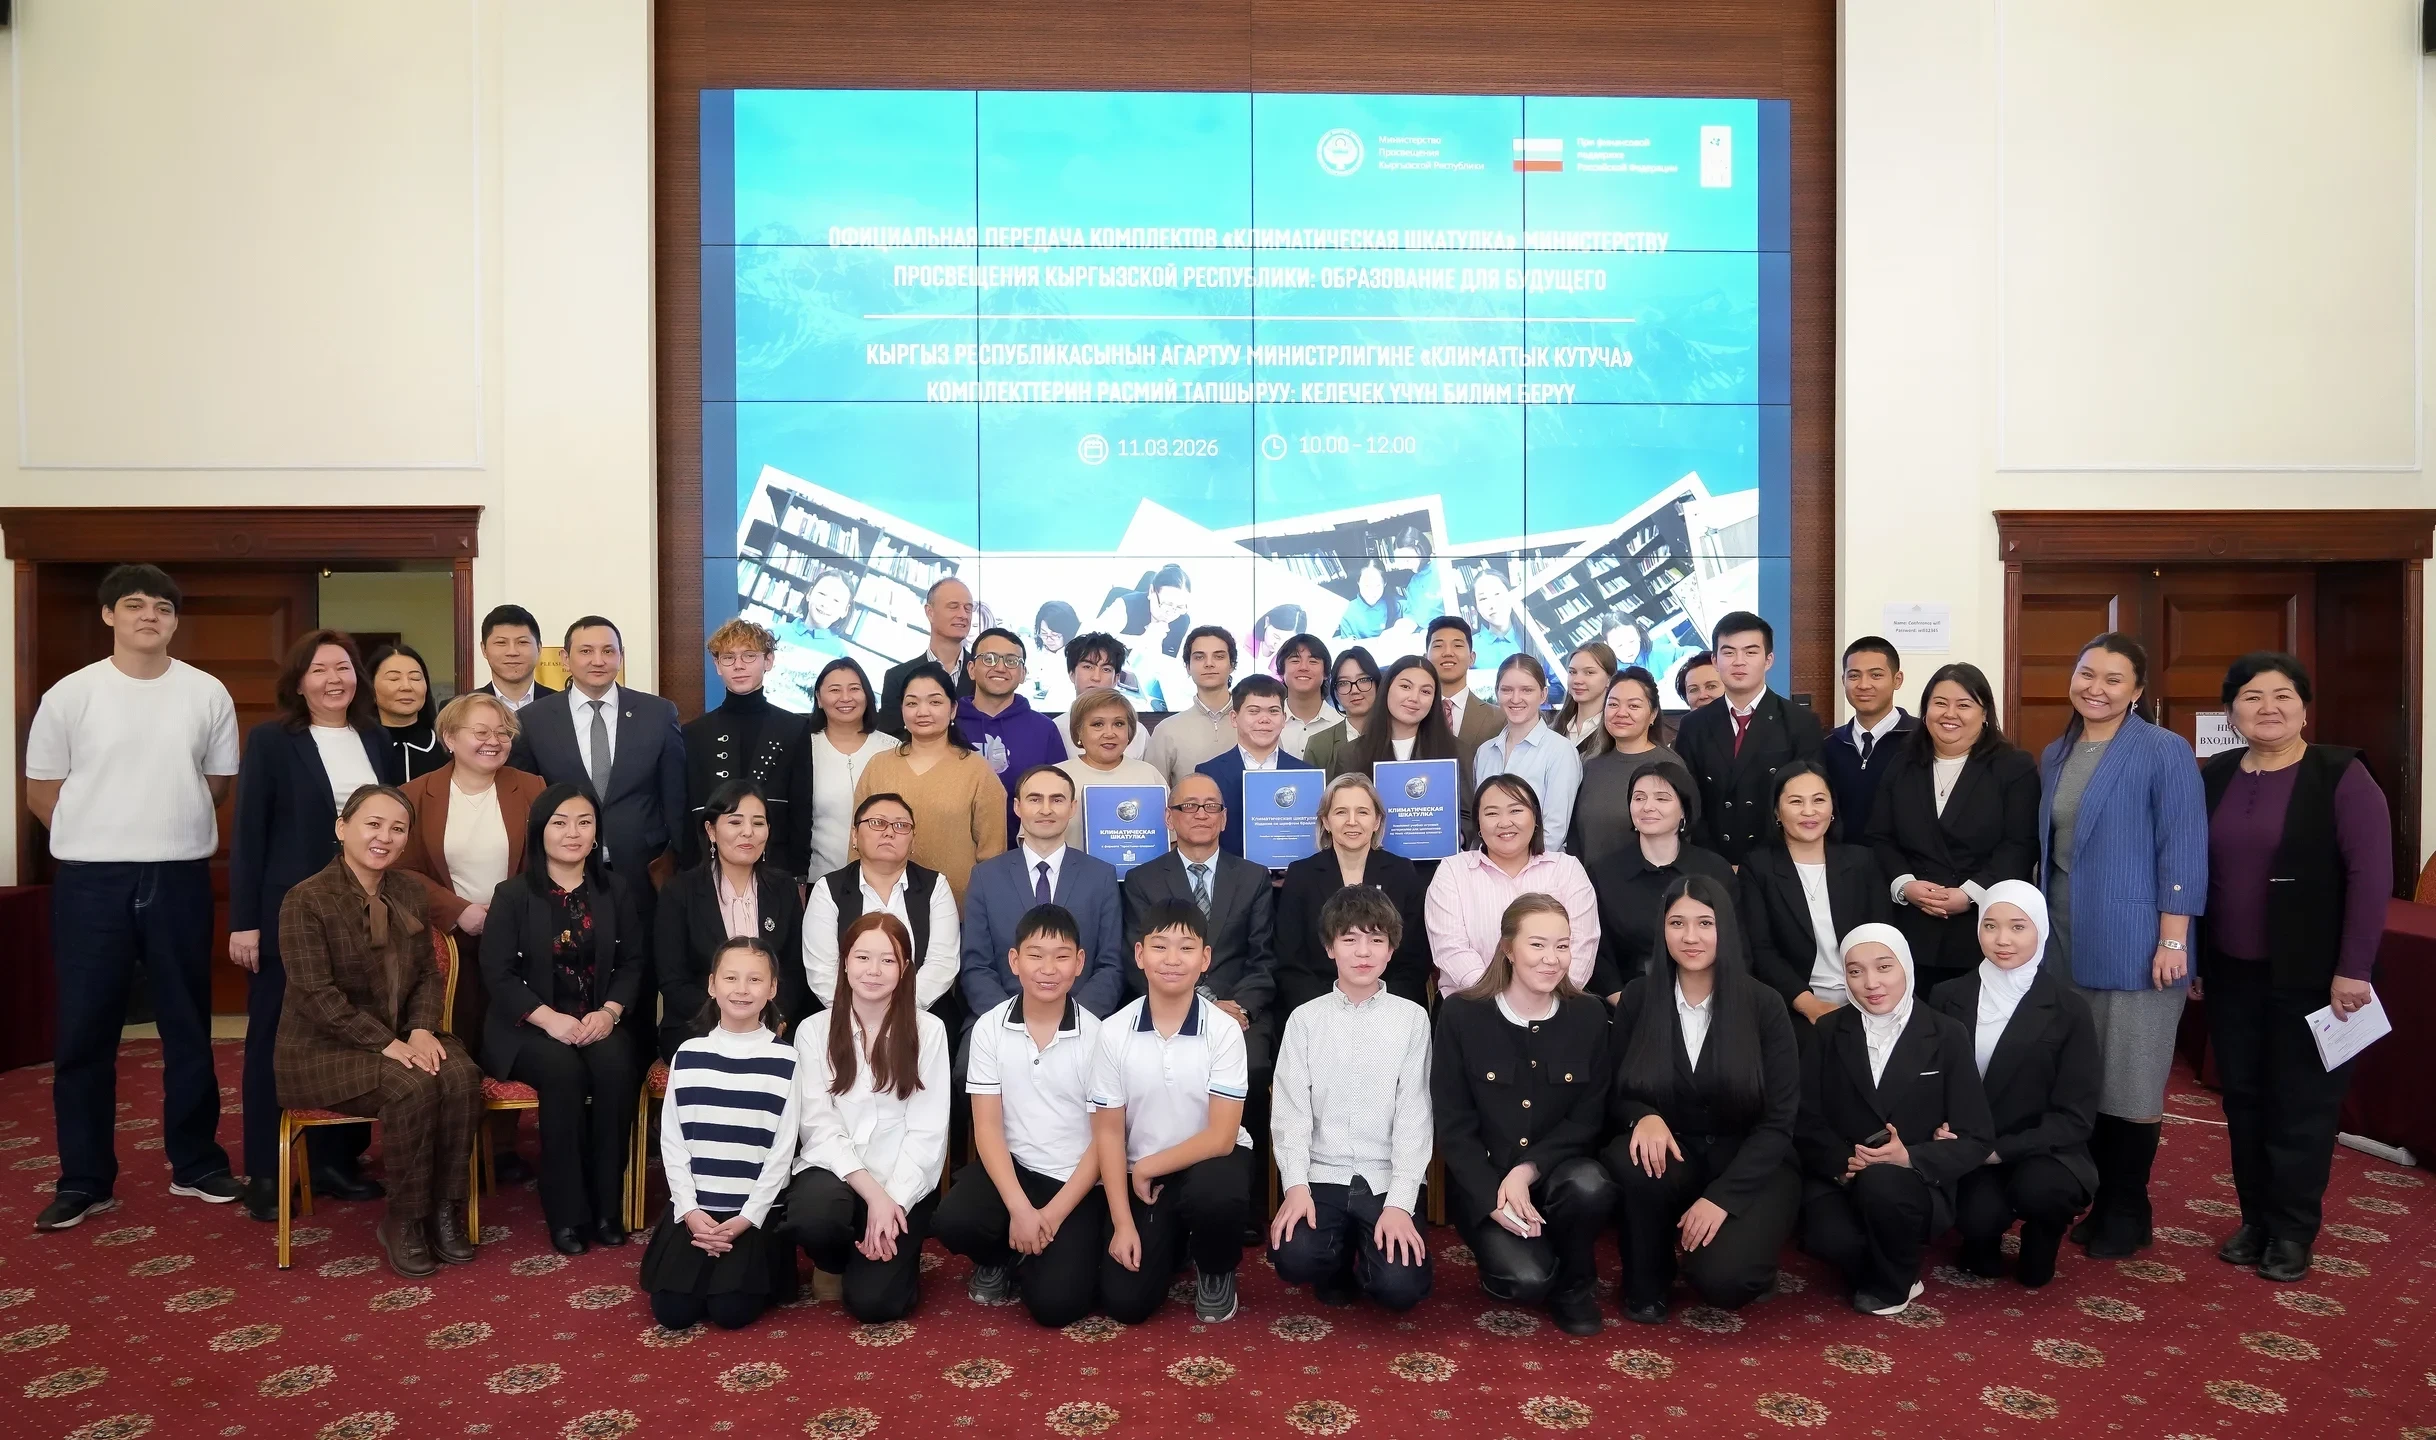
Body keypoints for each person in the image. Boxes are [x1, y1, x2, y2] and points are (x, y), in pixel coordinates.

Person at [27, 564, 242, 1229]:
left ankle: (197, 1162)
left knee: (187, 1025)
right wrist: (100, 833)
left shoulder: (206, 692)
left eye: (163, 608)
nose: (150, 616)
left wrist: (155, 829)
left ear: (175, 621)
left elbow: (215, 784)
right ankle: (84, 1179)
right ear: (109, 615)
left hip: (178, 875)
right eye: (135, 605)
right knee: (85, 1031)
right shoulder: (71, 694)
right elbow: (42, 791)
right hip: (91, 881)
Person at [2199, 652, 2392, 1282]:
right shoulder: (2215, 774)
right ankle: (2255, 1220)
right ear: (2231, 711)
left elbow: (2371, 879)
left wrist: (2354, 968)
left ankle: (2292, 1230)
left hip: (2314, 975)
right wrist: (2194, 955)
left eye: (2283, 695)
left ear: (2304, 707)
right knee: (2244, 1100)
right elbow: (2195, 872)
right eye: (2252, 696)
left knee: (2302, 1104)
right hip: (2231, 971)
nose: (2268, 708)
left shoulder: (2342, 775)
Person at [2037, 631, 2206, 1260]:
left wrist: (2174, 938)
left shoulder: (2163, 750)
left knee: (2132, 1080)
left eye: (2113, 679)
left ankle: (2127, 1207)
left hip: (2139, 943)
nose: (2096, 688)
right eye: (2087, 674)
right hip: (2064, 940)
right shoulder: (2056, 751)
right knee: (2085, 1077)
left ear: (2136, 691)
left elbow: (2183, 847)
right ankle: (2103, 1198)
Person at [275, 784, 482, 1277]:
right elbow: (317, 996)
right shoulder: (305, 899)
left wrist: (421, 1029)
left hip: (402, 1036)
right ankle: (404, 1220)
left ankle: (445, 1210)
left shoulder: (408, 890)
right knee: (411, 1086)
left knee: (461, 1076)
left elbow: (428, 973)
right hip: (323, 1050)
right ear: (342, 827)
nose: (384, 837)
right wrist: (386, 1042)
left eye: (397, 828)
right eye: (373, 824)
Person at [229, 629, 402, 1221]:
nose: (334, 679)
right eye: (320, 669)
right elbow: (249, 834)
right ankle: (267, 1170)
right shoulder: (272, 742)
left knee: (353, 1032)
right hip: (288, 912)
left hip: (362, 909)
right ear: (299, 681)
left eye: (344, 668)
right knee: (273, 1039)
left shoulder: (375, 738)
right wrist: (244, 922)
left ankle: (335, 1161)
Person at [1603, 876, 1802, 1320]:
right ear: (1662, 930)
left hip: (1751, 1163)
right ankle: (1648, 1278)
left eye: (1705, 923)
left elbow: (1778, 1123)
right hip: (1675, 1155)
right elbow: (1614, 1092)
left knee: (1725, 1281)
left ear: (1725, 927)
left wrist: (1723, 1198)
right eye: (1677, 923)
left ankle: (1740, 1255)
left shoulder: (1765, 1004)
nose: (1690, 937)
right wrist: (1642, 1116)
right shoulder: (1638, 997)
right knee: (1631, 1156)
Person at [1432, 894, 1615, 1334]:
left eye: (1562, 946)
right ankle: (1530, 1260)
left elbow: (1587, 1119)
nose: (1552, 959)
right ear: (1508, 949)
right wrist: (1491, 1194)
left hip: (1556, 1173)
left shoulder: (1588, 1015)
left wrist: (1527, 1170)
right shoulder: (1462, 1014)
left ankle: (1575, 1285)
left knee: (1591, 1186)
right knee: (1526, 1280)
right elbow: (1453, 1126)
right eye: (1537, 945)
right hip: (1487, 1180)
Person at [480, 784, 649, 1255]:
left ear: (597, 834)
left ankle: (607, 1209)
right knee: (563, 1072)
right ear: (540, 830)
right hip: (529, 1025)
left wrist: (610, 1012)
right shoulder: (512, 894)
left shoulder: (615, 889)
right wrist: (548, 1019)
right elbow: (498, 972)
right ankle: (567, 1214)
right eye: (560, 822)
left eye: (584, 822)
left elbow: (634, 962)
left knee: (617, 1067)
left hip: (598, 1019)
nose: (573, 833)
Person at [1796, 925, 1993, 1315]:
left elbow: (1977, 1136)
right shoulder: (1828, 1031)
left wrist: (1910, 1157)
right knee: (1828, 1241)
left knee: (1884, 1183)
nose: (1871, 983)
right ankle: (1888, 1257)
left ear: (1906, 966)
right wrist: (1842, 1161)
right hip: (1841, 1177)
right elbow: (1803, 1117)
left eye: (1884, 967)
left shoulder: (1946, 1034)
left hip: (1913, 1185)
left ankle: (1894, 1285)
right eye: (1855, 971)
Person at [395, 691, 546, 1184]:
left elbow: (546, 862)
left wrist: (508, 914)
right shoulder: (415, 793)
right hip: (446, 940)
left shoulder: (532, 787)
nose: (493, 741)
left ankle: (501, 1148)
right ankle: (453, 1148)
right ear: (449, 737)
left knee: (506, 1037)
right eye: (480, 732)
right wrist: (460, 911)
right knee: (456, 1037)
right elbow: (402, 869)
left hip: (517, 935)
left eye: (503, 732)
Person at [933, 904, 1109, 1327]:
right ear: (1014, 961)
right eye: (1035, 955)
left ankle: (1039, 1253)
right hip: (1016, 1171)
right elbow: (987, 1128)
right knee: (953, 1222)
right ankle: (1002, 1256)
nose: (1048, 969)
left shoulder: (1099, 1036)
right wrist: (1020, 1209)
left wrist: (1050, 1215)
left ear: (1079, 963)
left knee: (1055, 1307)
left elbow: (1104, 1140)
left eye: (1061, 956)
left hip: (1075, 1182)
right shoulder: (989, 1028)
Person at [1267, 886, 1434, 1312]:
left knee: (1399, 1288)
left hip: (1384, 1175)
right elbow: (1290, 1112)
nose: (1363, 951)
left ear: (1391, 950)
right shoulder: (1305, 1020)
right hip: (1322, 1173)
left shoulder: (1412, 1019)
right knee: (1294, 1258)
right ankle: (1336, 1260)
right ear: (1330, 947)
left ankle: (1370, 1256)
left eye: (1376, 939)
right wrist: (1295, 1185)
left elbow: (1415, 1114)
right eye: (1350, 939)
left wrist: (1400, 1203)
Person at [1925, 883, 2098, 1289]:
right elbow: (1928, 1080)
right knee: (1977, 1223)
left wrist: (2000, 1151)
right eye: (1990, 926)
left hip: (2045, 1148)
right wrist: (1938, 1127)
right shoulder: (1948, 996)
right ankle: (1982, 1236)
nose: (2002, 939)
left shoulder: (2069, 1008)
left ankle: (2043, 1235)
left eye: (2018, 927)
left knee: (2043, 1191)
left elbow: (2075, 1116)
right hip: (1971, 1144)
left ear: (2040, 930)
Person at [1089, 901, 1254, 1324]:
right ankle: (1177, 1242)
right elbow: (1108, 1133)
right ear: (1140, 954)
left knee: (1216, 1194)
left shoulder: (1224, 1031)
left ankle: (1215, 1268)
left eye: (1186, 948)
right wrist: (1122, 1223)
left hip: (1210, 1161)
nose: (1173, 959)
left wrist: (1148, 1166)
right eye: (1160, 947)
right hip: (1145, 1175)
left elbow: (1221, 1137)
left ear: (1205, 958)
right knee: (1126, 1303)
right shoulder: (1113, 1032)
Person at [785, 913, 951, 1322]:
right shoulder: (813, 1030)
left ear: (905, 968)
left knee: (875, 1304)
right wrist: (873, 1195)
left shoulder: (929, 1031)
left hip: (902, 1183)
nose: (873, 970)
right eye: (862, 957)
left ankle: (883, 1252)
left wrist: (891, 1201)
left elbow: (927, 1134)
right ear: (844, 962)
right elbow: (818, 1128)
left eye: (888, 960)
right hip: (836, 1175)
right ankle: (833, 1261)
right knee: (814, 1216)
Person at [639, 938, 803, 1331]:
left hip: (752, 1212)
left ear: (772, 988)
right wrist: (689, 1210)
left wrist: (749, 1216)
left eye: (754, 980)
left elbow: (782, 1153)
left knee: (732, 1312)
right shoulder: (688, 1054)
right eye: (731, 978)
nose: (742, 989)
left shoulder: (787, 1059)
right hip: (696, 1208)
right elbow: (673, 1141)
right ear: (712, 985)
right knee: (672, 1312)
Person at [1864, 663, 2041, 992]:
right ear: (1926, 710)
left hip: (1981, 928)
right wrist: (1905, 884)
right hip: (1910, 926)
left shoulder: (2013, 767)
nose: (1950, 714)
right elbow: (1880, 836)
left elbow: (2020, 844)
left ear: (1984, 713)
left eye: (1964, 705)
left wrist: (1970, 894)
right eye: (1940, 703)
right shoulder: (1902, 764)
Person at [506, 616, 689, 898]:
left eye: (608, 651)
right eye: (586, 651)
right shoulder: (532, 720)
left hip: (644, 869)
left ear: (621, 657)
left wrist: (683, 865)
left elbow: (676, 797)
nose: (598, 660)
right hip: (563, 869)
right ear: (565, 658)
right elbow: (526, 802)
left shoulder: (658, 713)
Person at [960, 766, 1128, 1020]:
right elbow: (976, 965)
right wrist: (1010, 1020)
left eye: (1057, 800)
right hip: (999, 1019)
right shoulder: (986, 877)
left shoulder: (1100, 876)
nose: (1046, 809)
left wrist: (1074, 1019)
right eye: (1035, 799)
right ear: (1017, 807)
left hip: (1083, 1020)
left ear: (1072, 808)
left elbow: (1111, 965)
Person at [657, 782, 810, 1058]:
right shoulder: (679, 891)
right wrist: (730, 1020)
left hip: (772, 1023)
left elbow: (795, 970)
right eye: (735, 822)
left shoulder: (784, 889)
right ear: (711, 831)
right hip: (699, 1025)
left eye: (758, 823)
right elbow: (673, 979)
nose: (748, 832)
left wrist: (773, 1017)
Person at [1740, 762, 1892, 1020]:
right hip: (1794, 1005)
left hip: (1866, 998)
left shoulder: (1862, 862)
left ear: (1832, 808)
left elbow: (1882, 936)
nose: (1809, 811)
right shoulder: (1758, 867)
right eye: (1796, 802)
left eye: (1819, 800)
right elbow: (1761, 951)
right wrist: (1811, 1006)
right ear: (1777, 811)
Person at [1673, 613, 1823, 868]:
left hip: (1776, 862)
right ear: (1715, 660)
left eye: (1750, 652)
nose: (1739, 662)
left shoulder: (1801, 722)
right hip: (1709, 863)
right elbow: (1687, 799)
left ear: (1768, 660)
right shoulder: (1693, 725)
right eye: (1729, 652)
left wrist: (1763, 864)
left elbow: (1807, 800)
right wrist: (1714, 862)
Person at [1274, 774, 1433, 1013]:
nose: (1352, 821)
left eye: (1362, 812)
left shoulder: (1402, 872)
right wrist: (1328, 1012)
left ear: (1377, 821)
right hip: (1318, 1010)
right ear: (1326, 821)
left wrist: (1379, 1009)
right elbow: (1289, 961)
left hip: (1390, 1009)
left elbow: (1415, 958)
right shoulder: (1301, 874)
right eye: (1341, 812)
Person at [1426, 775, 1599, 994]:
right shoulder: (1453, 870)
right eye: (1492, 813)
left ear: (1535, 817)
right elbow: (1450, 947)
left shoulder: (1567, 869)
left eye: (1516, 810)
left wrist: (1547, 997)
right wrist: (1500, 1000)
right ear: (1478, 823)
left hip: (1556, 1002)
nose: (1505, 822)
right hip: (1472, 1002)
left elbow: (1582, 945)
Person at [853, 663, 1008, 904]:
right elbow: (857, 842)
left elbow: (993, 856)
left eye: (935, 702)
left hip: (957, 907)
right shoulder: (878, 766)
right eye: (912, 703)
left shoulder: (977, 770)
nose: (922, 711)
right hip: (881, 907)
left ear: (953, 709)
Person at [1587, 762, 1736, 1003]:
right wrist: (1626, 1004)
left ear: (1684, 810)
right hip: (1628, 1002)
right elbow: (1598, 954)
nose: (1648, 806)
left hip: (1710, 1000)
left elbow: (1737, 945)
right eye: (1639, 798)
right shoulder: (1604, 873)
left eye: (1662, 798)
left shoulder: (1715, 870)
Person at [806, 793, 962, 1016]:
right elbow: (822, 970)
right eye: (877, 823)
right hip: (844, 1015)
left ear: (912, 840)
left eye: (901, 825)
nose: (889, 832)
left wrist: (897, 1013)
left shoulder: (935, 886)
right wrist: (861, 1014)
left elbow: (942, 963)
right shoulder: (828, 889)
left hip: (920, 1015)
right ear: (854, 835)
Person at [684, 619, 813, 881]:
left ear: (768, 661)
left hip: (776, 869)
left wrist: (799, 875)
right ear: (717, 665)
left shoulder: (794, 728)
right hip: (708, 870)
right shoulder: (694, 733)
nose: (739, 665)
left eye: (749, 655)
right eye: (728, 657)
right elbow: (688, 813)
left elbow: (801, 809)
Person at [1332, 656, 1475, 847]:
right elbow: (1339, 814)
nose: (1414, 698)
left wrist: (1454, 837)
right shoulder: (1352, 754)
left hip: (1437, 862)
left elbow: (1467, 816)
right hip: (1371, 861)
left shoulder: (1456, 751)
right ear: (1387, 689)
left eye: (1425, 691)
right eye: (1405, 687)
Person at [958, 626, 1068, 846]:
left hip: (1024, 853)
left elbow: (1059, 796)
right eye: (988, 659)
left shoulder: (1044, 729)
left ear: (1023, 673)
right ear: (971, 669)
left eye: (1011, 661)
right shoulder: (949, 724)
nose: (1000, 668)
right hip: (956, 850)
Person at [1569, 667, 1686, 870]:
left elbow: (1683, 838)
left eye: (1634, 706)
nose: (1621, 713)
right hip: (1587, 883)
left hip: (1648, 883)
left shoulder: (1669, 766)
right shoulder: (1589, 764)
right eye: (1613, 704)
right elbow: (1575, 836)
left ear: (1653, 714)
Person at [1474, 655, 1583, 854]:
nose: (1516, 699)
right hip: (1488, 867)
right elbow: (1481, 822)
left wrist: (1514, 866)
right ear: (1497, 692)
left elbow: (1554, 831)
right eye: (1507, 690)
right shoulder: (1484, 752)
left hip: (1541, 867)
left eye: (1526, 690)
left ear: (1543, 695)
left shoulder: (1560, 751)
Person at [1818, 637, 1914, 839]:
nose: (1864, 685)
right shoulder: (1829, 745)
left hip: (1904, 858)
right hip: (1842, 857)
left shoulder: (1922, 739)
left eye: (1876, 675)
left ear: (1897, 680)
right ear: (1843, 680)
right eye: (1854, 676)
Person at [1055, 688, 1168, 852]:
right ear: (1078, 731)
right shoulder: (1056, 777)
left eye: (1119, 724)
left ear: (1130, 731)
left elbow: (1171, 836)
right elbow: (1032, 839)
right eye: (1098, 724)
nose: (1109, 733)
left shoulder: (1149, 775)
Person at [1193, 675, 1292, 857]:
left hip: (1291, 872)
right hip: (1227, 873)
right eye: (1254, 711)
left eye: (1273, 711)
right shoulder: (1208, 773)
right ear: (1234, 718)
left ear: (1284, 719)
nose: (1264, 719)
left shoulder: (1305, 773)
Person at [807, 657, 884, 878]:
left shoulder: (893, 749)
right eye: (834, 690)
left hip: (883, 878)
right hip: (818, 879)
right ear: (819, 699)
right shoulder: (803, 749)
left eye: (854, 689)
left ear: (867, 695)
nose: (845, 698)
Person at [878, 576, 978, 736]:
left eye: (968, 608)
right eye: (953, 606)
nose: (963, 615)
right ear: (930, 612)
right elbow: (890, 738)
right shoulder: (897, 677)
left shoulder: (982, 674)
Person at [1143, 624, 1241, 786]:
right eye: (1199, 657)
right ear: (1188, 667)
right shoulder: (1167, 730)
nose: (1209, 664)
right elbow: (1153, 793)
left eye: (1218, 656)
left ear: (1232, 665)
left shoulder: (1255, 723)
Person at [1056, 632, 1151, 760]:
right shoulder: (1055, 729)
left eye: (1106, 669)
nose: (1096, 677)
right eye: (1087, 667)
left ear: (1116, 678)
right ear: (1072, 674)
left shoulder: (1138, 733)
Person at [368, 642, 448, 781]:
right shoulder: (360, 745)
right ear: (370, 687)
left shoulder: (447, 745)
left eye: (415, 678)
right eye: (394, 678)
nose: (406, 687)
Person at [1426, 616, 1504, 758]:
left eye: (1457, 645)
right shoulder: (1412, 714)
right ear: (1426, 658)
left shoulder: (1499, 719)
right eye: (1438, 646)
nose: (1448, 653)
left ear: (1472, 658)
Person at [1299, 646, 1378, 775]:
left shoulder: (1397, 736)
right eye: (1343, 683)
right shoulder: (1319, 745)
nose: (1354, 690)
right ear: (1335, 692)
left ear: (1378, 684)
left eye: (1363, 680)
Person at [1094, 562, 1194, 659]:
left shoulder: (1182, 620)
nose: (1171, 613)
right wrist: (1142, 640)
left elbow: (1169, 660)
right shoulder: (1127, 605)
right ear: (1151, 591)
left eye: (1180, 607)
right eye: (1167, 604)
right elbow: (1094, 639)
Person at [475, 604, 557, 713]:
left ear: (539, 648)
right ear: (484, 649)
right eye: (501, 642)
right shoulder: (462, 709)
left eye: (522, 642)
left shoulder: (564, 706)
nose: (512, 652)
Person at [1274, 633, 1342, 759]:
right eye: (1295, 661)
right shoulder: (1267, 723)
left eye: (1313, 661)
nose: (1304, 667)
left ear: (1326, 673)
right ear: (1281, 671)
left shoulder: (1341, 724)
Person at [1554, 641, 1618, 751]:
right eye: (1572, 672)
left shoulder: (1617, 733)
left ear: (1609, 679)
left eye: (1589, 672)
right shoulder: (1553, 730)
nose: (1577, 680)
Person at [1028, 600, 1083, 712]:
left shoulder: (1079, 657)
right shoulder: (1034, 652)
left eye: (1055, 634)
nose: (1049, 639)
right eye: (1044, 633)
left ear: (1068, 632)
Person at [1337, 561, 1394, 639]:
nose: (1371, 591)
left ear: (1385, 583)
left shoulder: (1398, 605)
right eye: (1366, 585)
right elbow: (1347, 644)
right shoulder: (1346, 610)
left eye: (1377, 585)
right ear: (1358, 582)